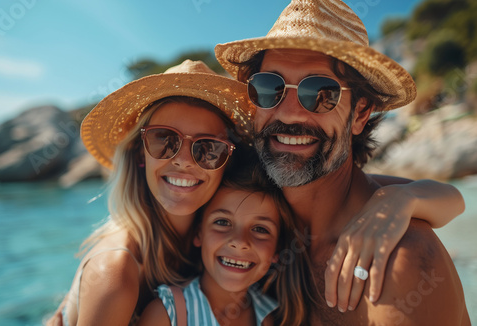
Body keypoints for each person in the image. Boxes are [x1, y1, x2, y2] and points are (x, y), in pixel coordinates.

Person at [45, 59, 464, 326]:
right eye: (163, 141)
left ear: (227, 159)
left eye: (207, 148)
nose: (185, 161)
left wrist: (405, 199)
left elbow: (438, 195)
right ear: (139, 152)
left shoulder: (238, 209)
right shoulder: (116, 269)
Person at [215, 0, 470, 324]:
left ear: (361, 112)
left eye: (320, 94)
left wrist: (405, 197)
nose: (290, 114)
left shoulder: (397, 264)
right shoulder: (245, 214)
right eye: (268, 87)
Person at [138, 156, 299, 325]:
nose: (239, 242)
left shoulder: (270, 317)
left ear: (277, 249)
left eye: (260, 229)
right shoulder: (167, 314)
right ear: (199, 233)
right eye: (222, 222)